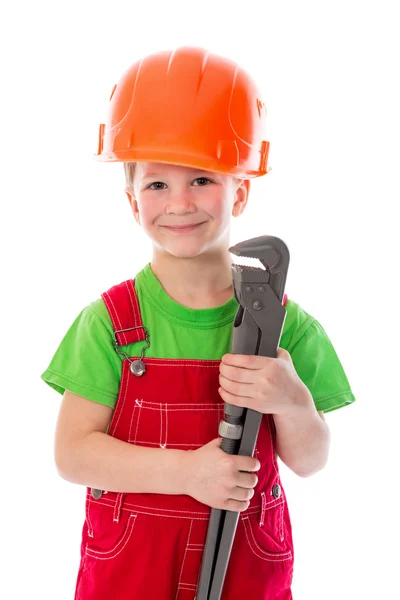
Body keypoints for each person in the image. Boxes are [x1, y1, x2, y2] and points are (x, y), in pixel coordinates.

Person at [40, 46, 356, 600]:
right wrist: (187, 474)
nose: (180, 202)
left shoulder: (287, 325)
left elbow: (311, 461)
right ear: (133, 203)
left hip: (245, 565)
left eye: (202, 179)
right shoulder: (109, 325)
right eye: (157, 184)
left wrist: (293, 402)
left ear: (242, 189)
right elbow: (72, 455)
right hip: (131, 573)